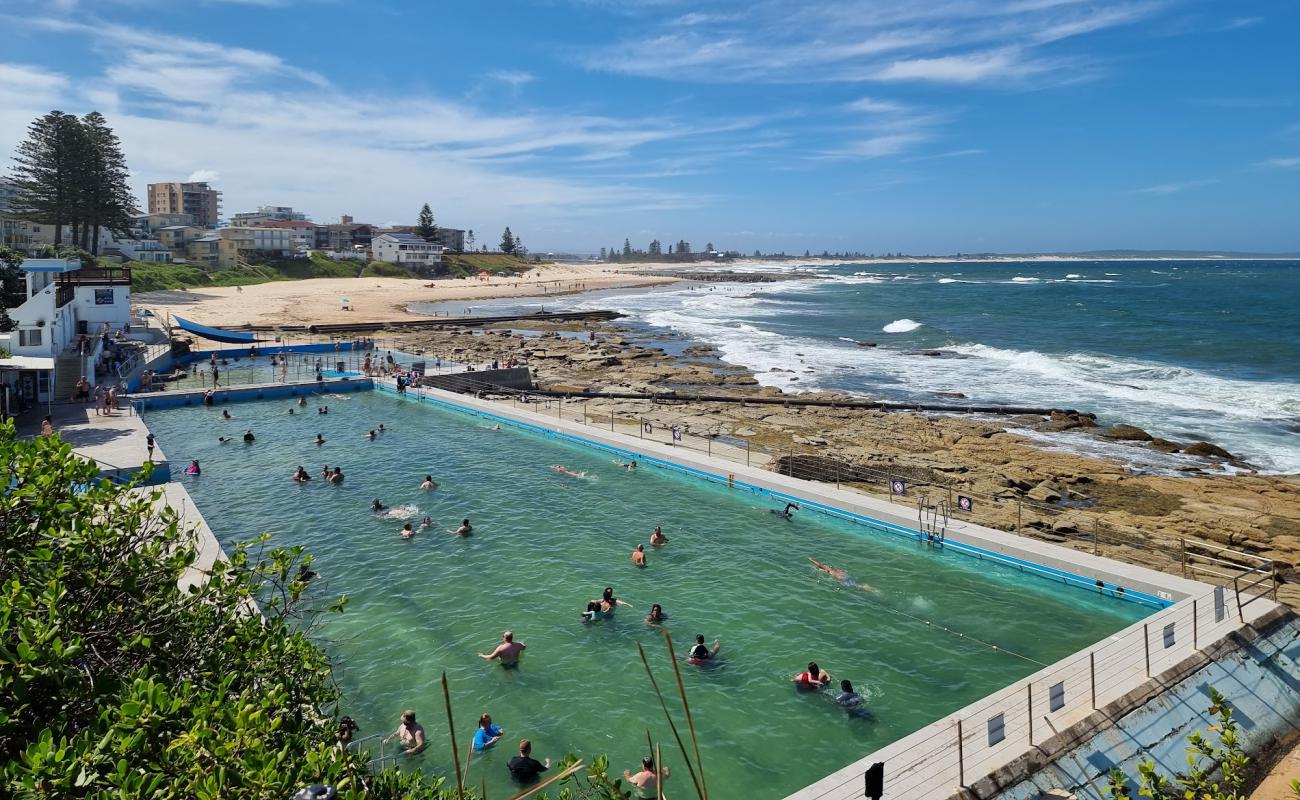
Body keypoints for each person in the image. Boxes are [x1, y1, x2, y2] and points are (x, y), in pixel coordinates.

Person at [809, 558, 879, 594]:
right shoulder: (837, 570)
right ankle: (870, 588)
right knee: (857, 584)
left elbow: (819, 565)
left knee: (858, 586)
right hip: (848, 577)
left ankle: (869, 589)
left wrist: (811, 560)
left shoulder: (829, 570)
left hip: (844, 580)